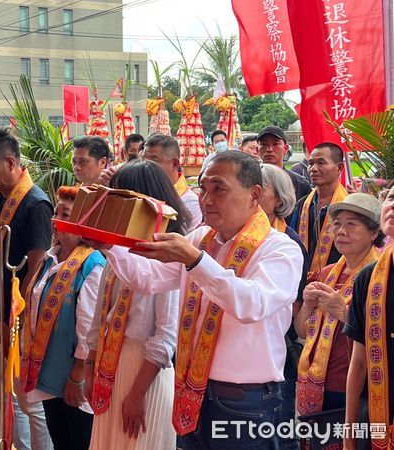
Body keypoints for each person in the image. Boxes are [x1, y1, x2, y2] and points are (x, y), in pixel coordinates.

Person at [97, 151, 303, 449]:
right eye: (203, 188)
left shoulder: (280, 249)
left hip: (244, 399)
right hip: (192, 389)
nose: (206, 199)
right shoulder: (200, 239)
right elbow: (150, 278)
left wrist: (196, 262)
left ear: (254, 195)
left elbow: (251, 304)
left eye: (219, 189)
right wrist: (111, 248)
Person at [85, 159, 192, 450]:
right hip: (111, 364)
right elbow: (100, 314)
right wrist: (90, 366)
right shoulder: (119, 249)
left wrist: (135, 395)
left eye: (122, 199)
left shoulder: (170, 252)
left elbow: (165, 335)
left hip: (143, 374)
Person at [0, 127, 54, 450]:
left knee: (27, 399)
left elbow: (37, 268)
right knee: (2, 393)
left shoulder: (35, 204)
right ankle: (11, 443)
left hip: (16, 317)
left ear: (10, 162)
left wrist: (21, 323)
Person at [21, 186, 106, 450]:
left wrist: (77, 375)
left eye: (65, 214)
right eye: (56, 212)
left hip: (71, 373)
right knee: (59, 437)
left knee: (79, 438)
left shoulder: (92, 265)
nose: (54, 220)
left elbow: (88, 327)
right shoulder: (51, 257)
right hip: (48, 368)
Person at [294, 194, 381, 431]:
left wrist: (343, 312)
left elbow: (382, 336)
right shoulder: (328, 273)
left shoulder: (381, 276)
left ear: (374, 233)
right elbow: (302, 330)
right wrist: (307, 305)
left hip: (357, 386)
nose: (341, 231)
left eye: (351, 224)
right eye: (337, 224)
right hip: (316, 382)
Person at [260, 164, 309, 450]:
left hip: (276, 347)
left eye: (260, 188)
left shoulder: (288, 242)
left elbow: (294, 304)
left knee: (277, 428)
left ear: (278, 199)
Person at [343, 190, 394, 450]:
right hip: (374, 417)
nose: (393, 206)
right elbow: (359, 363)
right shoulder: (369, 278)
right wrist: (349, 435)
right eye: (391, 198)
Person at [290, 142, 347, 282]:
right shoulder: (303, 204)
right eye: (310, 163)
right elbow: (292, 241)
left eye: (321, 163)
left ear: (339, 168)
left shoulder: (348, 206)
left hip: (336, 281)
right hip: (300, 280)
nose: (313, 169)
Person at [142, 134, 203, 229]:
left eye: (154, 161)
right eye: (144, 161)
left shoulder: (189, 203)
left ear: (175, 164)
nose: (145, 168)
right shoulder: (142, 189)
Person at [257, 126, 312, 201]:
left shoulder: (300, 184)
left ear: (286, 149)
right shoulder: (249, 181)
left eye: (275, 144)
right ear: (257, 150)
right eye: (264, 144)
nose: (269, 149)